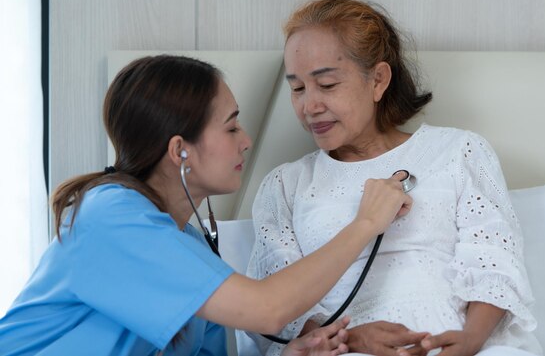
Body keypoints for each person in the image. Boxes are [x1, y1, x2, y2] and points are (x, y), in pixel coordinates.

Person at [0, 55, 414, 356]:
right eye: (231, 126)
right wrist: (364, 224)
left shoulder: (193, 251)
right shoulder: (109, 215)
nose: (246, 140)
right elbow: (267, 310)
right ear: (180, 150)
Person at [246, 0, 542, 356]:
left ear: (378, 80)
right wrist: (352, 339)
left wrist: (468, 342)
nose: (309, 106)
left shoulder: (458, 151)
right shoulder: (285, 186)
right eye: (297, 89)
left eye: (326, 84)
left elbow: (494, 262)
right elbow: (273, 310)